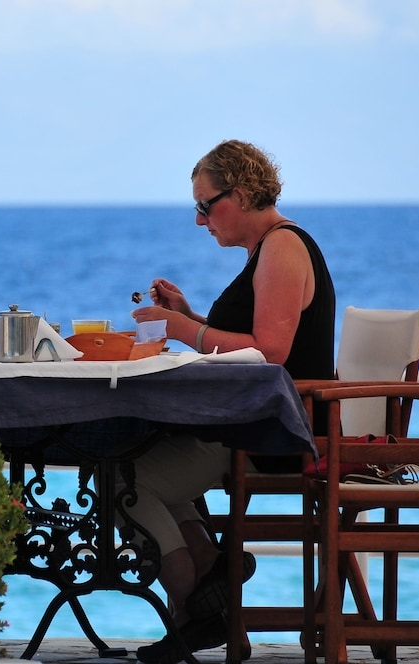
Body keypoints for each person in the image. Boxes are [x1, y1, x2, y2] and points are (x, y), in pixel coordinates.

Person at [126, 139, 336, 661]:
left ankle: (193, 602)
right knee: (147, 456)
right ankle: (213, 577)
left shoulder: (283, 247)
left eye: (205, 205)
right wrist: (193, 317)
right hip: (251, 421)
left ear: (238, 195)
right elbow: (251, 342)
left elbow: (269, 353)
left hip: (270, 433)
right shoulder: (265, 251)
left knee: (121, 478)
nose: (200, 221)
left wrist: (181, 329)